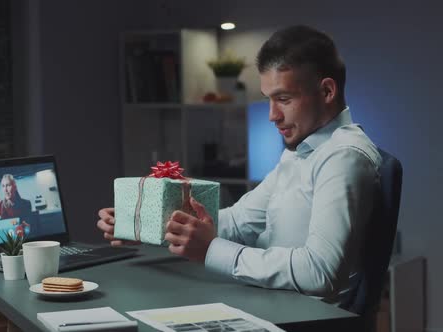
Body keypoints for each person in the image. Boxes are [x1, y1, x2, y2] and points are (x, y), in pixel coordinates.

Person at [97, 25, 382, 306]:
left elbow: (319, 272)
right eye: (269, 99)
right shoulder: (303, 151)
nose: (272, 115)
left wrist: (210, 249)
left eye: (283, 99)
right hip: (272, 302)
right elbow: (238, 221)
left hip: (305, 320)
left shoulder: (343, 157)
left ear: (327, 91)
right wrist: (143, 225)